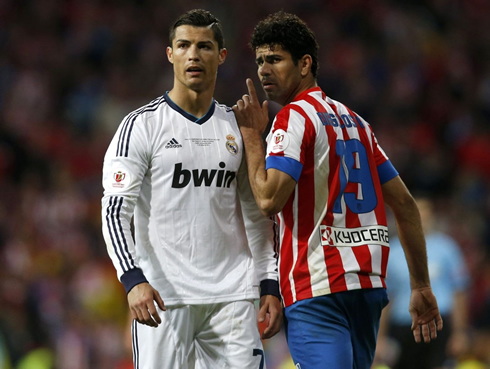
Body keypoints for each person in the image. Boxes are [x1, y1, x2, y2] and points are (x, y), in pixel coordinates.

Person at [233, 11, 443, 369]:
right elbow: (405, 205)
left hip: (317, 287)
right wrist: (420, 285)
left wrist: (253, 136)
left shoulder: (293, 118)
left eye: (275, 59)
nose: (264, 70)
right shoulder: (358, 123)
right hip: (367, 288)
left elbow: (269, 199)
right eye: (260, 61)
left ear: (305, 64)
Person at [101, 9, 282, 369]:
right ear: (170, 54)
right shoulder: (141, 126)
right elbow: (114, 211)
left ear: (222, 55)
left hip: (233, 295)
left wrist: (268, 282)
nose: (193, 55)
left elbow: (257, 214)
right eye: (183, 45)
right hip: (164, 297)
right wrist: (133, 279)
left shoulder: (238, 128)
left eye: (204, 46)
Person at [375, 197, 470, 369]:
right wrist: (380, 338)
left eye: (425, 215)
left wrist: (460, 332)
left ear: (432, 217)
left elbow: (459, 292)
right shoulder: (393, 252)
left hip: (439, 323)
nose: (420, 220)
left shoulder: (447, 248)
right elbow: (387, 298)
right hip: (404, 325)